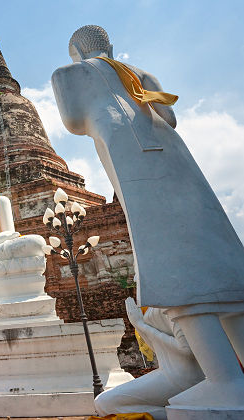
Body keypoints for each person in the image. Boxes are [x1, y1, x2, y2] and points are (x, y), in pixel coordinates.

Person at [52, 24, 244, 410]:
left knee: (168, 249)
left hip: (130, 157)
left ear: (75, 49)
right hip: (172, 153)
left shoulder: (68, 74)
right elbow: (168, 117)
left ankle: (224, 379)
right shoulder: (140, 72)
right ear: (111, 45)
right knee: (207, 236)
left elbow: (73, 120)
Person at [94, 298, 204, 420]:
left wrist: (141, 325)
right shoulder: (152, 308)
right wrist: (139, 325)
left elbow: (186, 349)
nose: (137, 280)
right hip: (169, 372)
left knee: (106, 403)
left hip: (183, 376)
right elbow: (159, 349)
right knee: (103, 403)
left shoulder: (167, 304)